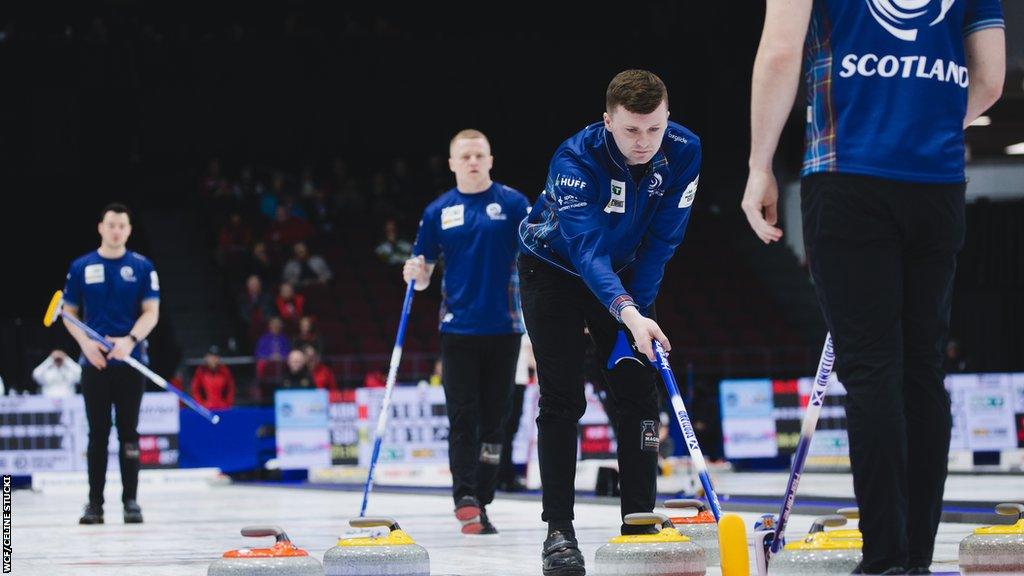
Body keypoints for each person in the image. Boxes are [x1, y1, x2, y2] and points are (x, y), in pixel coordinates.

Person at [740, 2, 1004, 573]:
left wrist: (760, 165)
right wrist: (924, 119)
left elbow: (782, 52)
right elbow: (991, 79)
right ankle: (914, 557)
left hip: (849, 173)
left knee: (872, 369)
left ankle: (887, 560)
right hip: (935, 183)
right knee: (921, 370)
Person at [518, 69, 700, 575]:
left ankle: (639, 522)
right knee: (563, 399)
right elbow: (587, 251)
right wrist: (626, 310)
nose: (643, 143)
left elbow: (663, 241)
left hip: (625, 278)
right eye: (630, 131)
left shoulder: (685, 150)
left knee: (639, 393)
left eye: (654, 129)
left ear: (668, 119)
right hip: (552, 269)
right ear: (607, 122)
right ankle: (559, 533)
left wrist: (633, 317)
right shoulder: (574, 159)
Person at [404, 129, 530, 535]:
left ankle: (483, 501)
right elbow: (422, 276)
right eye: (466, 156)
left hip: (506, 329)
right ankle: (465, 497)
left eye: (479, 155)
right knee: (463, 418)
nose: (473, 162)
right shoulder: (438, 211)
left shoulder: (513, 204)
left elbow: (536, 253)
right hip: (457, 331)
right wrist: (416, 274)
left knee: (496, 423)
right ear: (453, 163)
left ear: (490, 159)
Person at [61, 202, 160, 525]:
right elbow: (69, 313)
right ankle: (95, 504)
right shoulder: (80, 266)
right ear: (101, 227)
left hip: (130, 363)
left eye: (122, 225)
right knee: (98, 434)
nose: (116, 230)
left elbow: (151, 312)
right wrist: (86, 344)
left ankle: (131, 501)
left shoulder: (143, 267)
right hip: (95, 365)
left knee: (129, 433)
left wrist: (130, 341)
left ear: (129, 231)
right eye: (111, 224)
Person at [498, 333, 534, 492]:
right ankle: (503, 475)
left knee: (509, 430)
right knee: (505, 430)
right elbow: (532, 355)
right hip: (509, 381)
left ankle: (504, 474)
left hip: (518, 381)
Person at [190, 345, 235, 411]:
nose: (213, 359)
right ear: (206, 358)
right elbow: (195, 390)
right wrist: (201, 405)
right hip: (206, 409)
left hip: (222, 408)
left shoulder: (225, 371)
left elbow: (230, 389)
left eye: (216, 357)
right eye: (211, 357)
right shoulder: (201, 371)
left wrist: (227, 404)